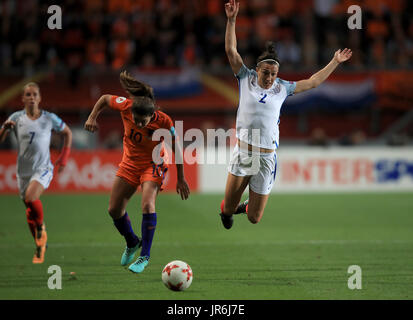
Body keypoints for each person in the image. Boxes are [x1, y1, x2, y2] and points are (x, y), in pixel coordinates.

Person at [220, 0, 352, 229]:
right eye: (266, 72)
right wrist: (231, 20)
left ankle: (246, 204)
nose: (270, 77)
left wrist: (334, 62)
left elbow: (312, 82)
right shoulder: (245, 78)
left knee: (254, 218)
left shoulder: (282, 88)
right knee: (227, 209)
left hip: (266, 157)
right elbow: (231, 51)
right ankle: (229, 210)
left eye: (273, 73)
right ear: (258, 69)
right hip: (243, 152)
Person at [84, 71, 190, 274]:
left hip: (154, 164)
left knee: (148, 203)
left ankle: (144, 256)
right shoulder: (126, 105)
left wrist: (181, 178)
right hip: (130, 163)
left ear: (153, 115)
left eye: (144, 121)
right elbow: (105, 98)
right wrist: (91, 118)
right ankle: (132, 242)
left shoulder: (164, 121)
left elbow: (176, 147)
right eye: (136, 119)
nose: (139, 124)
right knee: (114, 209)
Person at [0, 82, 72, 263]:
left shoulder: (49, 118)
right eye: (28, 94)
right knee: (30, 210)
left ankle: (41, 228)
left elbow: (68, 133)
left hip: (43, 168)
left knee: (31, 197)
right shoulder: (16, 118)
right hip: (23, 171)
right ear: (23, 98)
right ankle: (40, 245)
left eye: (34, 94)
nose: (31, 97)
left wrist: (64, 157)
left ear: (40, 98)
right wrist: (5, 130)